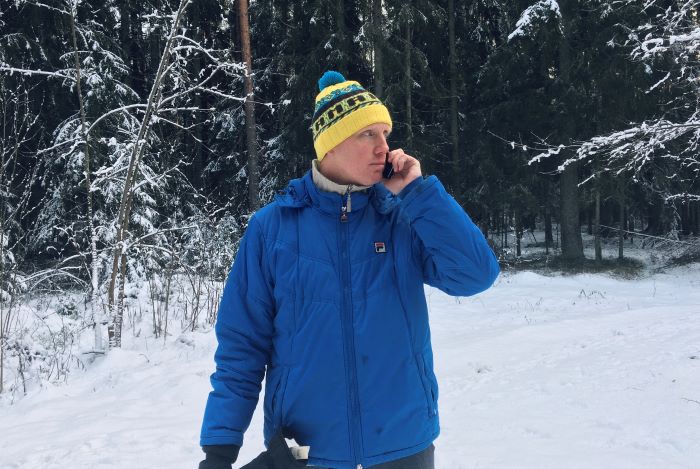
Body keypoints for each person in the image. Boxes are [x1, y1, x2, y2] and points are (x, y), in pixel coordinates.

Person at [198, 71, 500, 469]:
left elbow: (475, 274)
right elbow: (242, 347)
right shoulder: (272, 230)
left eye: (385, 134)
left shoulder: (401, 217)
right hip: (306, 451)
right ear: (330, 144)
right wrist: (220, 450)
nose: (384, 148)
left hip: (403, 444)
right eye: (367, 135)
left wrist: (418, 192)